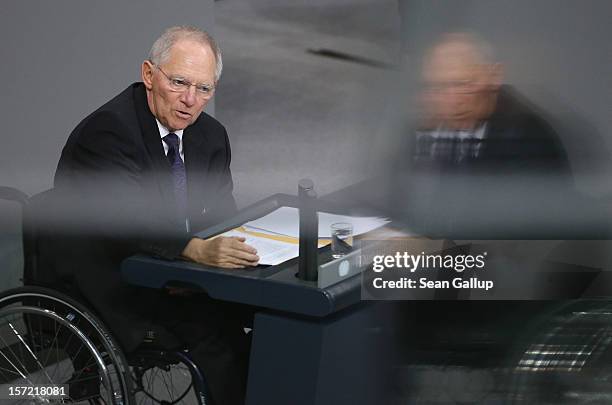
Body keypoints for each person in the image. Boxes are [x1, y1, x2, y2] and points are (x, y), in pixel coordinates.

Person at [37, 26, 258, 405]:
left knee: (275, 317)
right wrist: (194, 252)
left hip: (175, 273)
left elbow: (222, 212)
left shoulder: (210, 136)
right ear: (149, 74)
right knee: (218, 336)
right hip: (113, 283)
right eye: (178, 82)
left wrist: (239, 249)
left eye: (203, 88)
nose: (190, 100)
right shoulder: (108, 133)